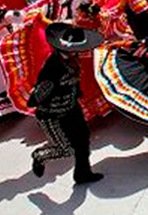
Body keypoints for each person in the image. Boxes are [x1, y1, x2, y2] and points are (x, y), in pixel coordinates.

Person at [29, 23, 104, 185]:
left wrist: (76, 94)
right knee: (64, 149)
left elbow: (74, 82)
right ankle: (39, 156)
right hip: (52, 115)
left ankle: (82, 174)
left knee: (83, 141)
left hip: (72, 109)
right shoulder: (53, 67)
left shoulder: (72, 59)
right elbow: (39, 94)